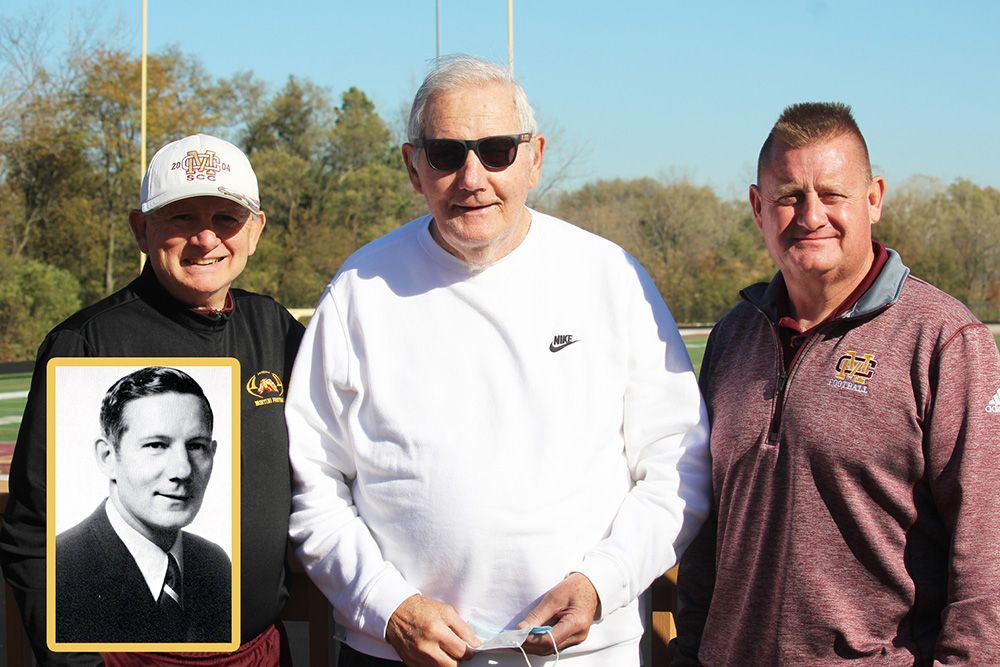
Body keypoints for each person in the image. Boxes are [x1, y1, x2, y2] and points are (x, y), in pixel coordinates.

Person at [285, 55, 711, 667]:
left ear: (535, 156)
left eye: (496, 150)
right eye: (447, 153)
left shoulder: (611, 278)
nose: (472, 175)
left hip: (584, 655)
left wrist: (603, 582)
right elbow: (313, 484)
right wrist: (388, 606)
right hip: (396, 654)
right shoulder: (359, 289)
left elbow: (678, 465)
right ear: (413, 166)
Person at [674, 102, 1000, 664]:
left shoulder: (943, 339)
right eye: (788, 196)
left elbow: (986, 546)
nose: (810, 215)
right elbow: (708, 528)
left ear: (873, 197)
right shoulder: (733, 337)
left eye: (832, 194)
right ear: (758, 207)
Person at [1, 134, 305, 665]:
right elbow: (30, 528)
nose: (206, 238)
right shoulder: (87, 343)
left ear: (256, 231)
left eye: (226, 218)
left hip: (259, 652)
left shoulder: (273, 327)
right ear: (142, 230)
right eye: (182, 218)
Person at [56, 366, 230, 644]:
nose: (183, 470)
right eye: (156, 445)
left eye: (196, 446)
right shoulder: (60, 570)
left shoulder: (216, 564)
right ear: (108, 456)